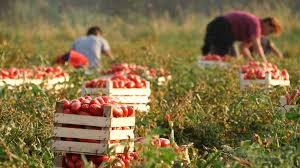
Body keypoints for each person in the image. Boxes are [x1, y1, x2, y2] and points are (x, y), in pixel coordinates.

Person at [202, 11, 282, 62]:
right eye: (270, 31)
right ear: (267, 23)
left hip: (224, 31)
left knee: (230, 59)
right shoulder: (256, 24)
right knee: (227, 59)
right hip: (220, 26)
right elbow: (257, 46)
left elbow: (243, 47)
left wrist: (252, 62)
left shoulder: (253, 30)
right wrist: (265, 63)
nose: (268, 34)